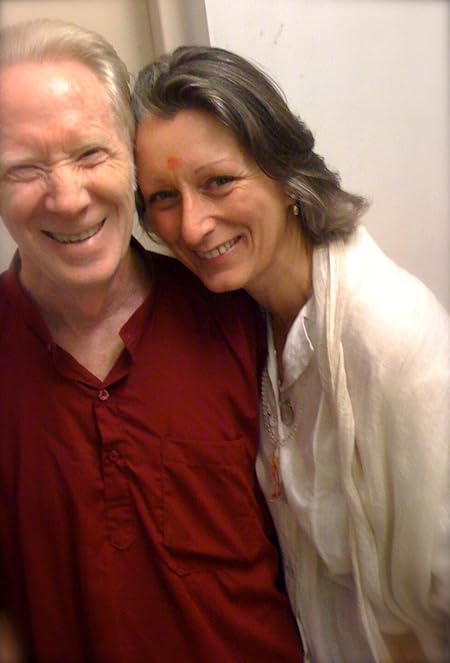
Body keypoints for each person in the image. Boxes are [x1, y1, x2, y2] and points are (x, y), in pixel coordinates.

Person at [132, 45, 450, 663]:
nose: (192, 227)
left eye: (218, 181)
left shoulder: (390, 339)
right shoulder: (240, 323)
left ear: (285, 176)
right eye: (164, 198)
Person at [0, 20, 305, 662]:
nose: (68, 198)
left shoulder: (237, 312)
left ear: (132, 160)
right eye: (24, 168)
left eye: (90, 154)